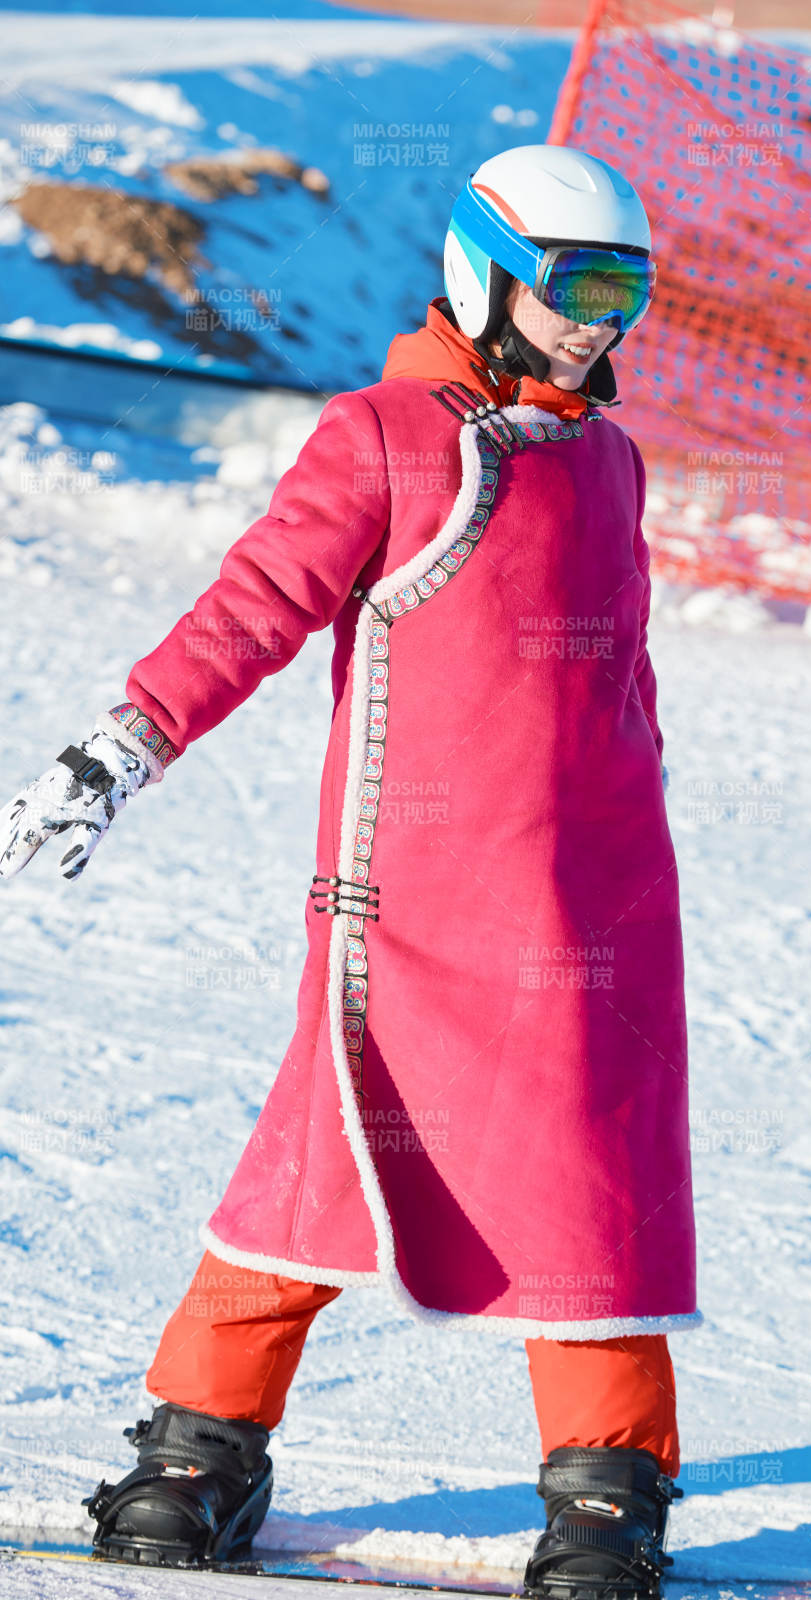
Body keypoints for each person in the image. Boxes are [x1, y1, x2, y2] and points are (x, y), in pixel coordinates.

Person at [0, 144, 699, 1599]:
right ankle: (199, 1450)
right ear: (486, 275)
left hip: (580, 909)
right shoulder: (383, 435)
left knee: (586, 1191)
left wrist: (635, 879)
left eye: (627, 293)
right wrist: (126, 742)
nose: (602, 325)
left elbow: (622, 685)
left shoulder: (609, 459)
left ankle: (607, 1494)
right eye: (576, 289)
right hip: (406, 916)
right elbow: (255, 603)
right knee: (314, 1172)